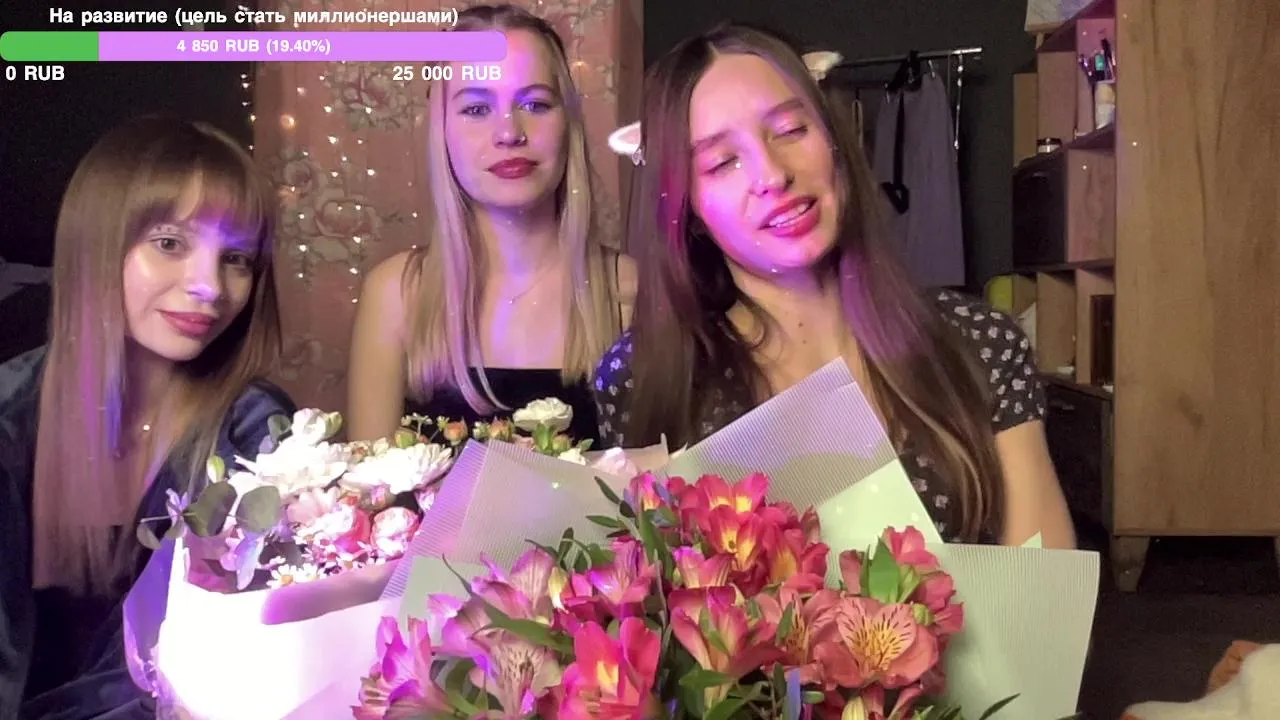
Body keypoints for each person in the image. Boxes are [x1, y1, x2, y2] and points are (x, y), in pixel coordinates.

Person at [592, 25, 1075, 549]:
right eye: (723, 162)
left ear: (835, 141)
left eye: (790, 130)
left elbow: (1046, 586)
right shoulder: (648, 374)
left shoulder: (980, 342)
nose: (772, 175)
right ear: (689, 209)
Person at [0, 117, 295, 718]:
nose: (210, 286)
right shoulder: (10, 419)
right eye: (170, 244)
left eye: (236, 258)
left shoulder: (257, 434)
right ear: (96, 244)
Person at [347, 4, 634, 445]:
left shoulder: (630, 291)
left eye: (535, 104)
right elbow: (366, 482)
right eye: (477, 108)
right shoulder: (395, 295)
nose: (509, 132)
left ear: (568, 122)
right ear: (442, 131)